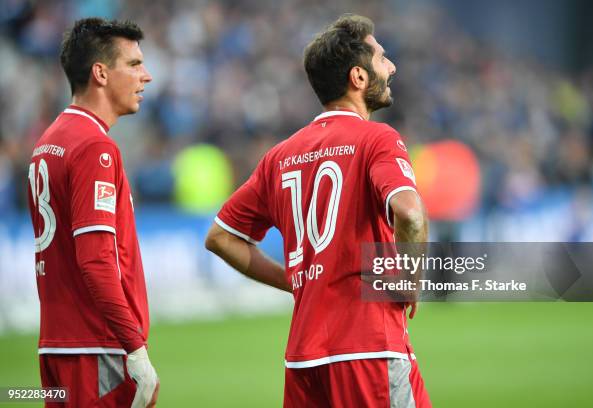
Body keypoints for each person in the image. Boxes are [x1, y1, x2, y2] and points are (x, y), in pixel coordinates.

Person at [206, 14, 431, 407]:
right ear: (358, 78)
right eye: (382, 59)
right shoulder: (377, 139)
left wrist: (295, 280)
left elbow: (220, 238)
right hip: (370, 349)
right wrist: (408, 278)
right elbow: (410, 213)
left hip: (303, 361)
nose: (392, 67)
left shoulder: (279, 156)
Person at [27, 18, 159, 407]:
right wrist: (134, 348)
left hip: (57, 348)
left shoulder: (49, 141)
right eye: (133, 65)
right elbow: (96, 261)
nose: (146, 76)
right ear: (100, 73)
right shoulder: (94, 148)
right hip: (97, 349)